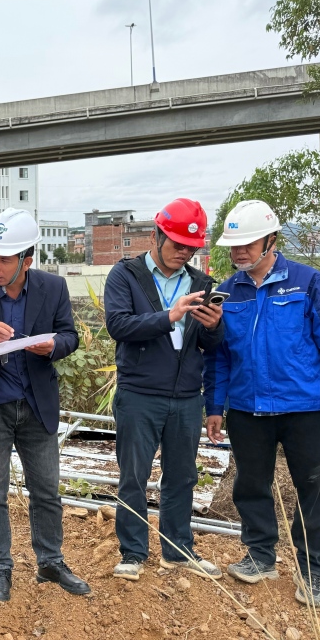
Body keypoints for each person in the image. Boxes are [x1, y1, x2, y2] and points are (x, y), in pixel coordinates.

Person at [205, 200, 320, 608]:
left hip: (307, 409)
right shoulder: (226, 293)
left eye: (248, 243)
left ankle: (311, 572)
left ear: (271, 240)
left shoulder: (308, 283)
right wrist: (215, 406)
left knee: (313, 489)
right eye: (234, 245)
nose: (239, 252)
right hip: (247, 409)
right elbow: (219, 356)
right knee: (250, 485)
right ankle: (260, 556)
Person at [0, 208, 86, 603]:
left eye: (4, 259)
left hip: (36, 404)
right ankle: (0, 569)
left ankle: (50, 561)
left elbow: (70, 336)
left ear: (27, 260)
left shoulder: (53, 287)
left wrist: (52, 345)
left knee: (47, 490)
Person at [103, 198, 224, 581]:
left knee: (182, 477)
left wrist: (213, 326)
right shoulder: (126, 275)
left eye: (191, 247)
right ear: (157, 235)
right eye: (177, 244)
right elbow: (118, 326)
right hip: (139, 394)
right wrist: (169, 315)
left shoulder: (201, 283)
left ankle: (178, 550)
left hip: (186, 396)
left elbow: (210, 346)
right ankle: (133, 553)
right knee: (134, 476)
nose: (183, 252)